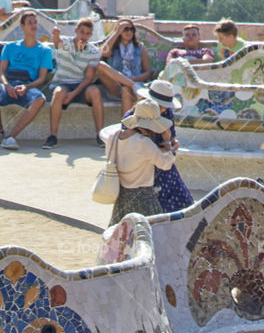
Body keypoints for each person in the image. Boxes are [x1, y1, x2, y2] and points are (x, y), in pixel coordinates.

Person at [0, 10, 52, 148]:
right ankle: (0, 131)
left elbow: (42, 78)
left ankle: (10, 137)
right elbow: (1, 72)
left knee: (40, 99)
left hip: (27, 85)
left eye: (35, 22)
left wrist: (27, 87)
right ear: (22, 26)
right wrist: (6, 85)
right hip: (9, 84)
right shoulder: (10, 47)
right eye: (30, 23)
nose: (34, 25)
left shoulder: (45, 50)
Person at [107, 98, 175, 226]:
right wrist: (168, 146)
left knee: (121, 238)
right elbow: (165, 165)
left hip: (121, 195)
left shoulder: (113, 136)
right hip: (144, 198)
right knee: (152, 237)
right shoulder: (144, 143)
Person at [44, 16, 107, 147]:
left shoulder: (94, 52)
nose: (84, 36)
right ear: (76, 30)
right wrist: (55, 34)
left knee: (95, 92)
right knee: (58, 92)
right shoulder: (65, 43)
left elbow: (89, 78)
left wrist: (73, 95)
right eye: (82, 32)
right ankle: (53, 136)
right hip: (63, 83)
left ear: (91, 35)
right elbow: (57, 42)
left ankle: (100, 135)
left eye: (87, 33)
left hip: (81, 86)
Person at [132, 78, 192, 212]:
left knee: (181, 203)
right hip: (143, 167)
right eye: (161, 106)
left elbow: (172, 141)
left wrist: (171, 143)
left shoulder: (167, 114)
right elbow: (133, 145)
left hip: (164, 165)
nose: (163, 109)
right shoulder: (134, 115)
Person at [100, 19, 152, 89]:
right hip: (116, 85)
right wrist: (117, 32)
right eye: (125, 29)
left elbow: (147, 73)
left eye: (131, 29)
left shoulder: (140, 48)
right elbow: (103, 53)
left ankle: (132, 86)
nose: (129, 32)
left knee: (126, 89)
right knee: (101, 65)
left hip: (135, 83)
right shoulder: (112, 47)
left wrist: (133, 79)